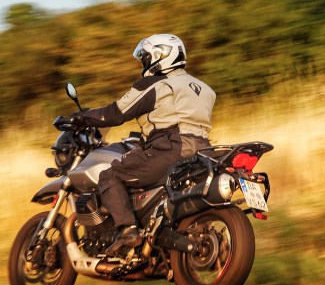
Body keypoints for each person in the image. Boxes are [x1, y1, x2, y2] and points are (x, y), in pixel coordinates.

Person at [71, 34, 216, 254]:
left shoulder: (156, 83)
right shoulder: (203, 87)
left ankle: (128, 229)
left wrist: (82, 118)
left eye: (146, 57)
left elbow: (116, 113)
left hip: (169, 147)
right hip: (204, 149)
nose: (144, 63)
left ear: (159, 56)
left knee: (110, 175)